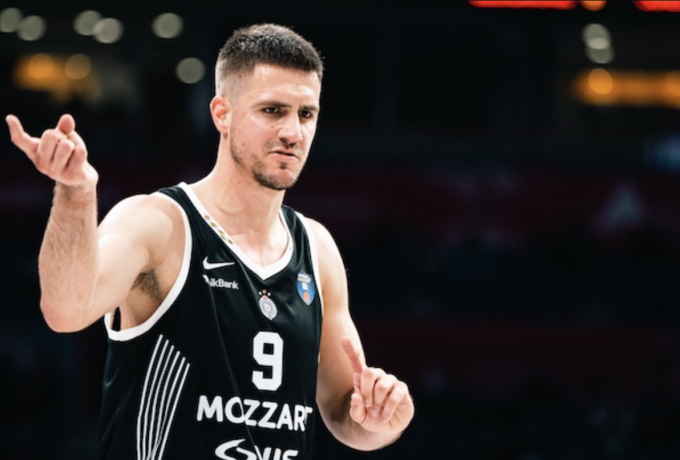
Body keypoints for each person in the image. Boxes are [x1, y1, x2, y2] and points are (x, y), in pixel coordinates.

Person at [6, 23, 414, 460]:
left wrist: (381, 422)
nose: (293, 132)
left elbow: (342, 412)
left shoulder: (317, 249)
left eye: (306, 114)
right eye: (272, 110)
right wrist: (75, 194)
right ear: (222, 113)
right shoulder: (159, 224)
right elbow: (65, 311)